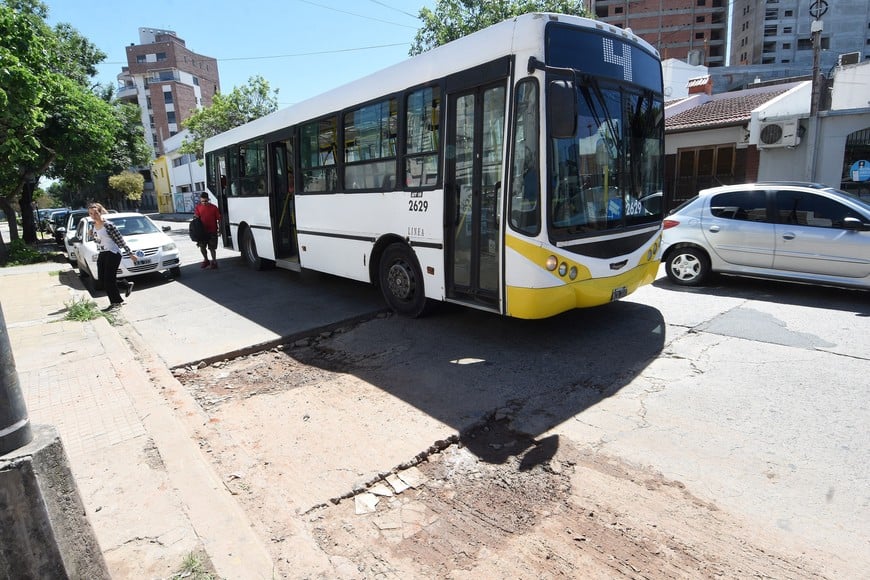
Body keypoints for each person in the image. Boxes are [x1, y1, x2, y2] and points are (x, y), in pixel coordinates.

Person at [88, 203, 138, 311]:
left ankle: (116, 302)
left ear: (100, 212)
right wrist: (92, 235)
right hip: (102, 253)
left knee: (108, 280)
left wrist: (130, 254)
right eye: (91, 213)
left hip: (113, 253)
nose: (93, 215)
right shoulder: (93, 226)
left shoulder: (108, 225)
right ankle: (125, 285)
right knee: (102, 280)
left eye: (96, 213)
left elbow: (120, 240)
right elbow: (98, 241)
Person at [195, 192, 221, 269]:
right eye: (202, 201)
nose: (204, 203)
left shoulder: (214, 207)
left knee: (212, 248)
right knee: (202, 247)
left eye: (205, 201)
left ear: (208, 200)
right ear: (200, 200)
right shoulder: (198, 207)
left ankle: (214, 261)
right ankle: (206, 260)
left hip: (212, 231)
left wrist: (220, 229)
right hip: (202, 232)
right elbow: (196, 219)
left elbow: (219, 219)